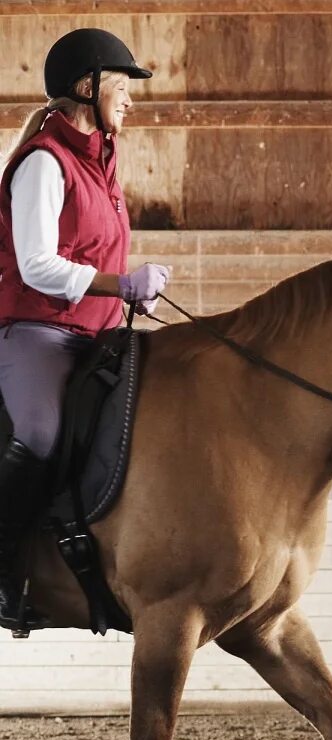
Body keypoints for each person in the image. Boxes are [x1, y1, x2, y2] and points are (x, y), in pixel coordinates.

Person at [0, 28, 170, 627]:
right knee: (41, 434)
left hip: (96, 334)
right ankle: (3, 569)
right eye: (121, 87)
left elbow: (97, 251)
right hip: (37, 331)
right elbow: (39, 265)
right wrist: (118, 283)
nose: (129, 100)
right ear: (86, 87)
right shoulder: (45, 162)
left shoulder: (101, 160)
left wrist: (131, 293)